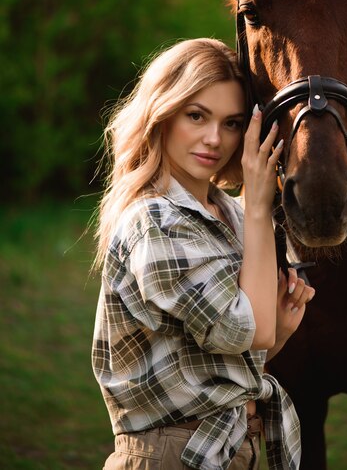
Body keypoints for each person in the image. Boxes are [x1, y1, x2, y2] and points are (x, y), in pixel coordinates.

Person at [91, 38, 315, 470]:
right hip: (172, 453)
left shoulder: (227, 212)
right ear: (163, 113)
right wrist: (258, 205)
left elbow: (222, 361)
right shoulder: (153, 220)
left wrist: (279, 330)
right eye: (196, 116)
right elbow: (247, 331)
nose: (214, 139)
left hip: (235, 448)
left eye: (232, 123)